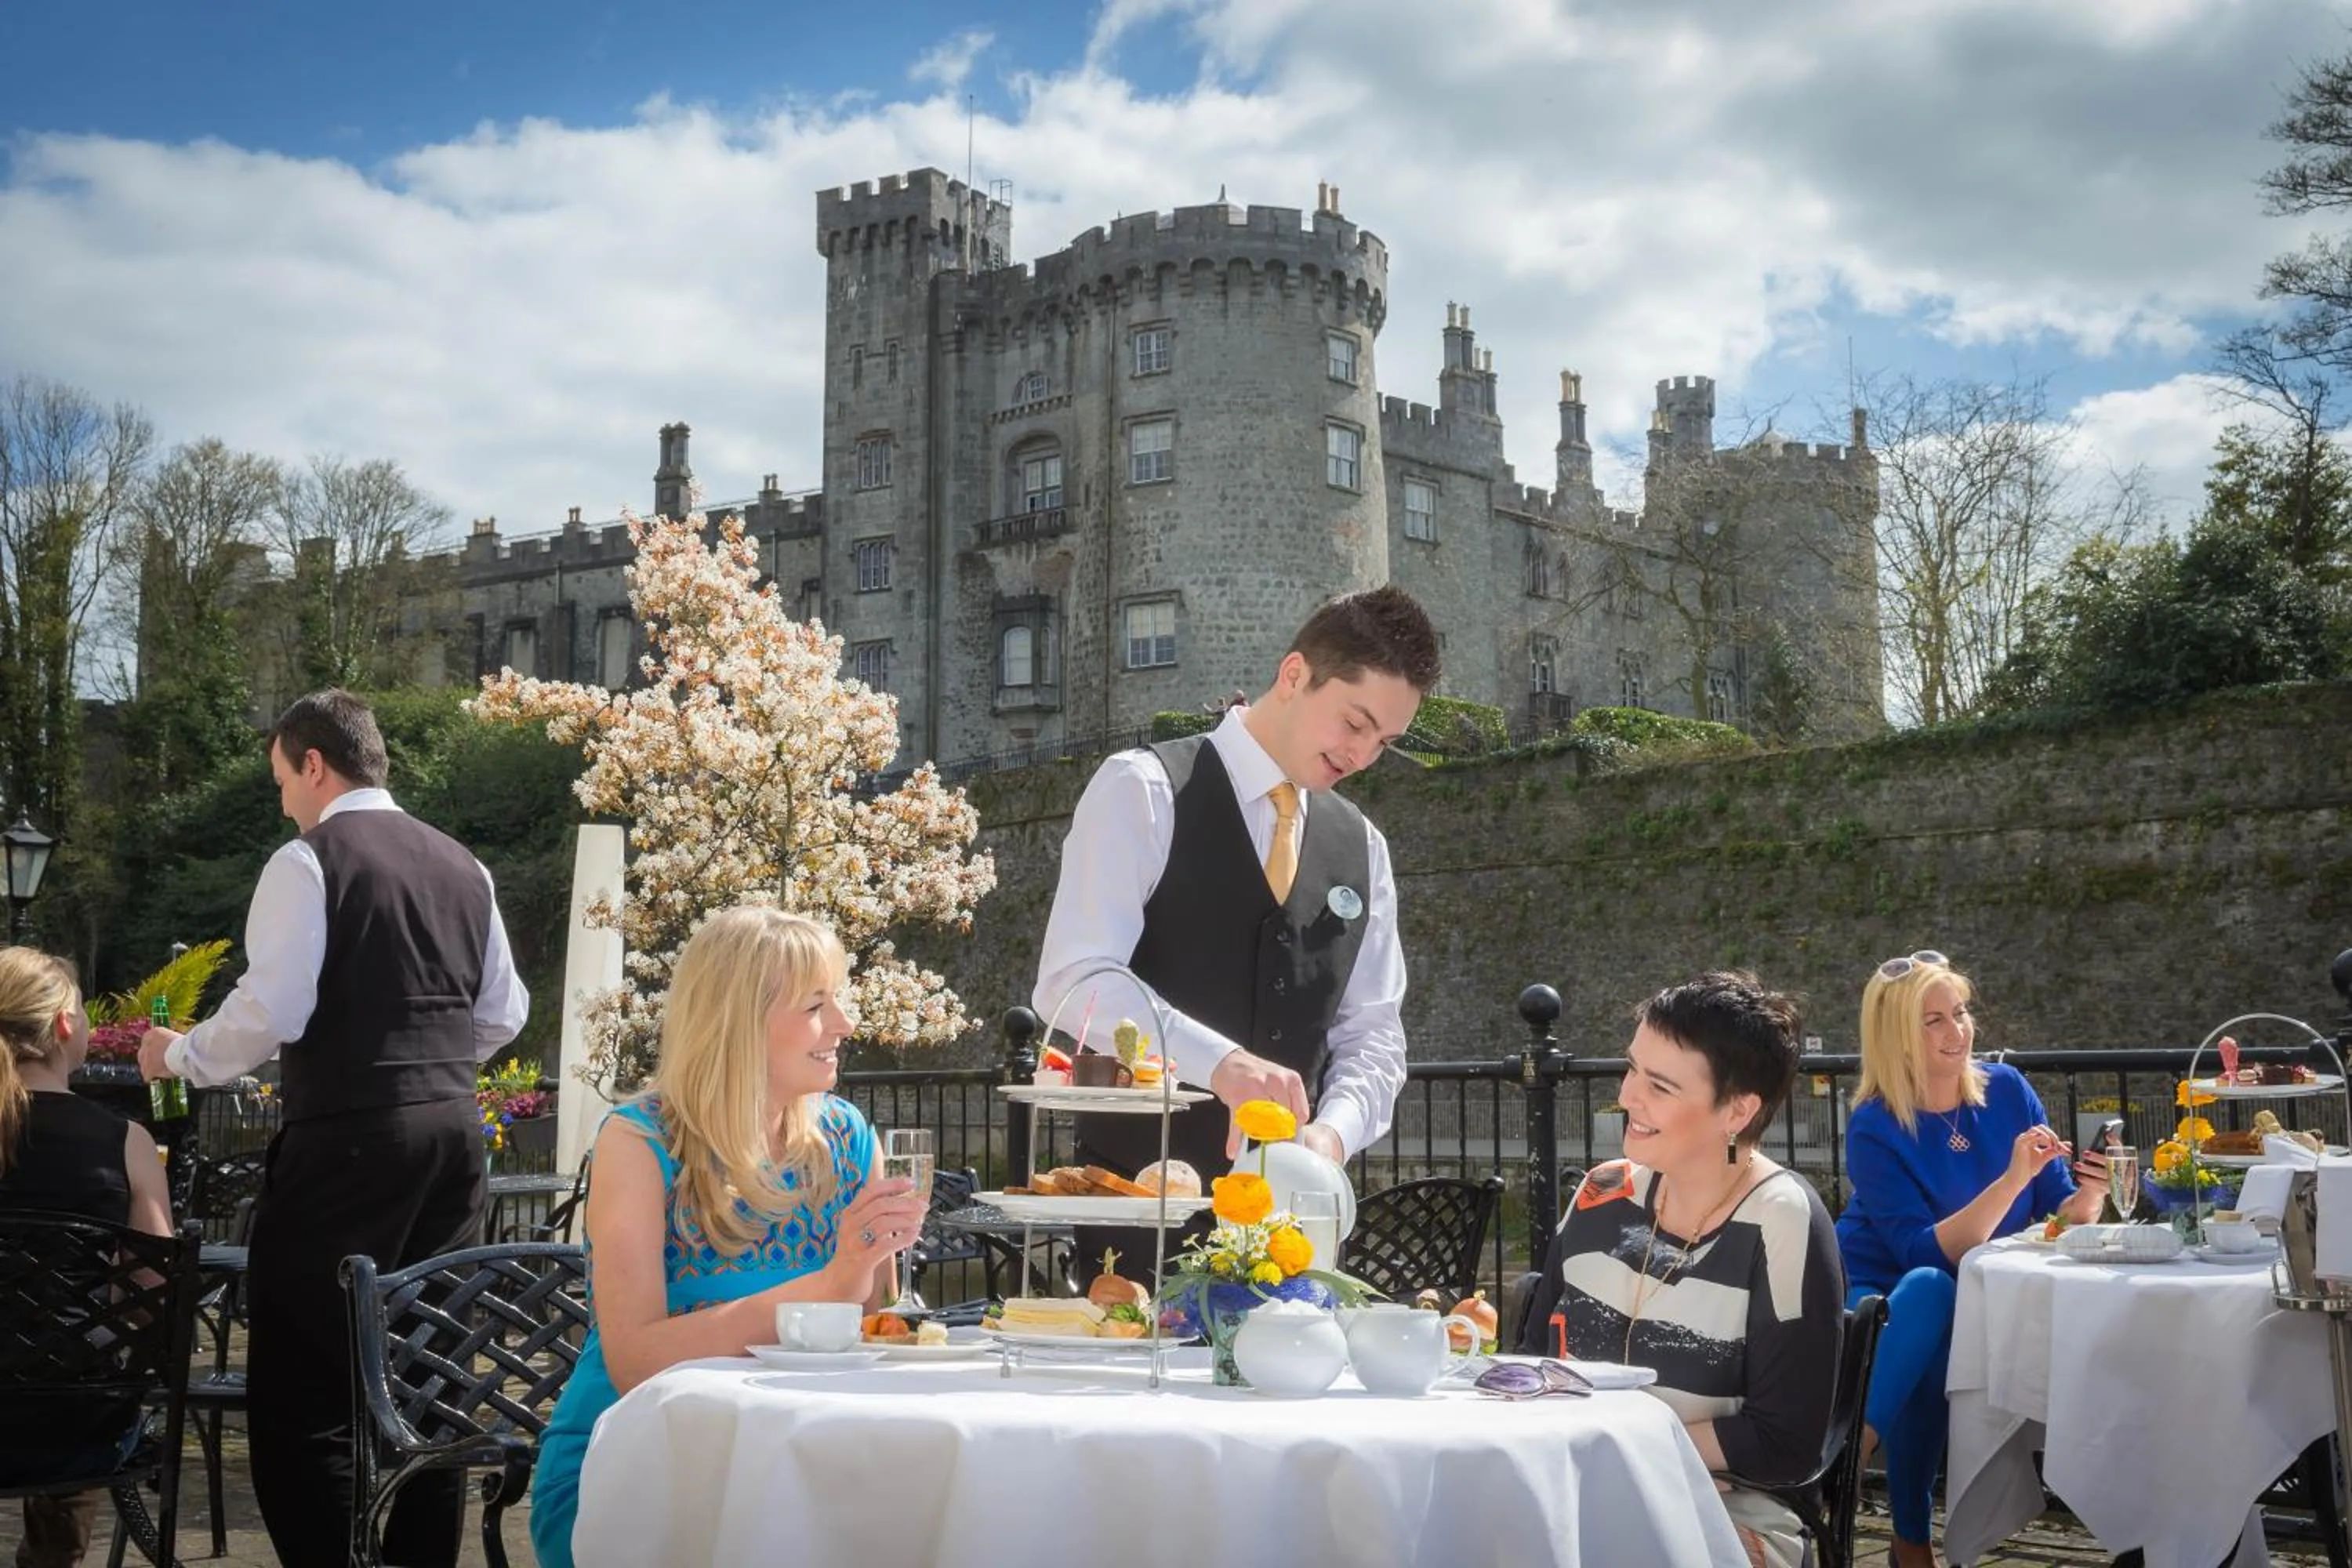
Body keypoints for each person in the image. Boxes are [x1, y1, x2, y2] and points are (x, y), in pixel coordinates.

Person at [136, 689, 530, 1568]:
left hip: (350, 1138)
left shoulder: (308, 861)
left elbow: (272, 1006)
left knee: (304, 1386)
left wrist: (178, 1056)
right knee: (434, 1369)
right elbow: (504, 1011)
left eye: (281, 777)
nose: (281, 799)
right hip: (454, 1137)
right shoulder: (465, 863)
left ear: (315, 763)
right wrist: (416, 1049)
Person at [1033, 585, 1441, 1271]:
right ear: (1294, 676)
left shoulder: (1363, 845)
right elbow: (1075, 982)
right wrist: (1222, 1065)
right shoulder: (1144, 788)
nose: (1363, 755)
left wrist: (1330, 1139)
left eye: (1386, 741)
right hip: (1142, 1220)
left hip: (1293, 1236)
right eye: (1355, 722)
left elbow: (1374, 1034)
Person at [528, 906, 929, 1568]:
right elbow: (635, 1364)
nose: (845, 1025)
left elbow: (871, 1328)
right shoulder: (639, 1141)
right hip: (642, 1464)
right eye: (815, 1006)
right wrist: (828, 1283)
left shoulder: (849, 1138)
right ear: (740, 1019)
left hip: (803, 1454)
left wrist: (864, 1274)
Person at [1515, 972, 1844, 1568]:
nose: (1627, 1096)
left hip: (1723, 1515)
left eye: (1659, 1086)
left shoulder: (1782, 1218)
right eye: (1632, 1068)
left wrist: (1643, 1459)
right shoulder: (1600, 1193)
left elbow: (1788, 1443)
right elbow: (1534, 1366)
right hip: (1570, 1490)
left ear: (1738, 1111)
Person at [1835, 951, 2107, 1568]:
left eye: (1959, 1013)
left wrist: (2091, 1191)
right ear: (1896, 1037)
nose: (1956, 1031)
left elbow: (2060, 1214)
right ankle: (1868, 1483)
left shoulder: (2007, 1090)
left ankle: (1869, 1495)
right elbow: (1920, 1250)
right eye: (1932, 1021)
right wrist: (2013, 1180)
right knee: (1932, 1295)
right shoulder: (1874, 1125)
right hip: (1878, 1288)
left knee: (1944, 1314)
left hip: (1974, 1291)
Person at [0, 948, 173, 1568]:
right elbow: (156, 1295)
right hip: (76, 1432)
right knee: (85, 1366)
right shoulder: (124, 1143)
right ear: (65, 1026)